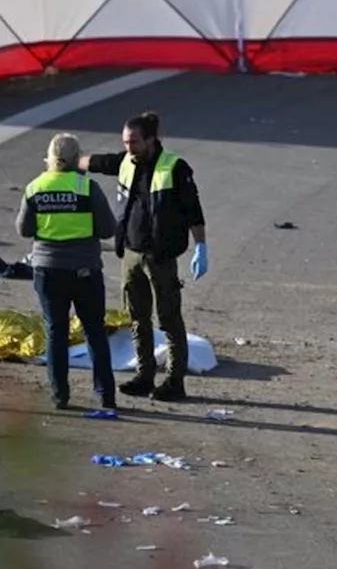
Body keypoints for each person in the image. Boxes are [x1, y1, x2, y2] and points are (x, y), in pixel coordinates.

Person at [78, 111, 207, 402]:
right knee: (137, 318)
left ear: (150, 140)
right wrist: (69, 160)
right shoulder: (126, 161)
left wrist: (201, 246)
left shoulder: (175, 168)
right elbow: (98, 162)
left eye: (134, 142)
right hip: (132, 255)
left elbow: (194, 211)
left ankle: (175, 381)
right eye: (125, 142)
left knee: (169, 320)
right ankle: (144, 375)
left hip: (161, 258)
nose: (128, 148)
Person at [16, 133, 117, 411]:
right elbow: (108, 228)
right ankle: (106, 395)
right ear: (77, 159)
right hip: (85, 271)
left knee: (56, 331)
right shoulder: (88, 188)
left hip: (48, 272)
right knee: (94, 330)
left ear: (49, 158)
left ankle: (60, 396)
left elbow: (23, 229)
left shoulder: (35, 188)